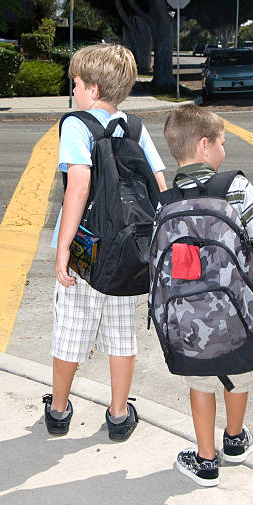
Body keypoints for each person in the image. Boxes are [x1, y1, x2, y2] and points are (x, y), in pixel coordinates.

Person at [43, 44, 166, 441]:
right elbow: (159, 185)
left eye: (75, 84)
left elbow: (78, 185)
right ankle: (117, 415)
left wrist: (63, 249)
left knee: (70, 331)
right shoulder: (135, 127)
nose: (73, 91)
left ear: (92, 89)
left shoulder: (76, 124)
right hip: (128, 250)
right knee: (121, 334)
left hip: (86, 249)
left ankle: (59, 410)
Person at [162, 104, 253, 486]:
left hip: (189, 319)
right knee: (239, 373)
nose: (224, 151)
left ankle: (205, 459)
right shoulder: (236, 187)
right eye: (222, 143)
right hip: (239, 310)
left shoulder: (165, 202)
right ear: (204, 146)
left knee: (201, 382)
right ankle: (234, 439)